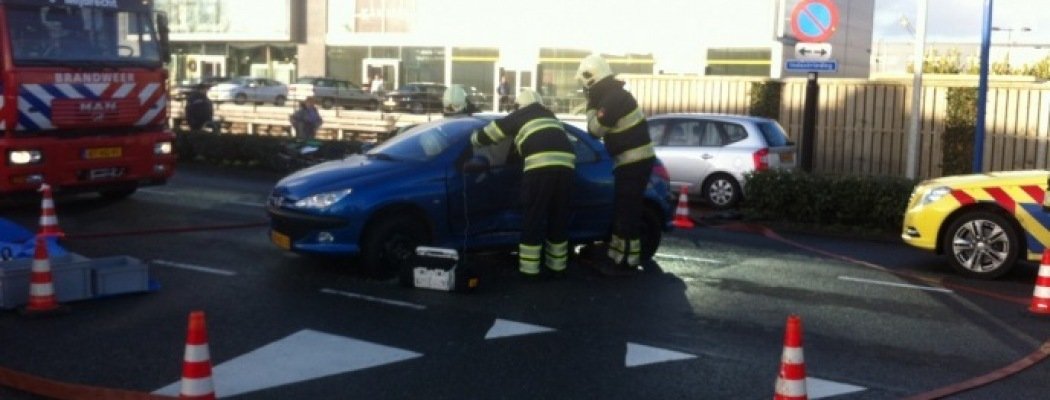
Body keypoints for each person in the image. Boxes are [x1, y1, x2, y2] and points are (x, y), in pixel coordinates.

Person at [471, 89, 575, 279]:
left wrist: (473, 140)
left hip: (540, 167)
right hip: (566, 166)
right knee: (558, 215)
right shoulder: (550, 116)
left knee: (533, 216)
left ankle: (529, 270)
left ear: (519, 106)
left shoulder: (520, 115)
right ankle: (557, 267)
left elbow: (489, 134)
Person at [575, 54, 656, 276]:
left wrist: (591, 105)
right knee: (623, 209)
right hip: (630, 162)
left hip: (634, 162)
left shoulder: (612, 100)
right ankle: (618, 255)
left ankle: (627, 261)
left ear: (591, 79)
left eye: (585, 85)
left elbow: (594, 130)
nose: (585, 89)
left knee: (627, 211)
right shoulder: (614, 95)